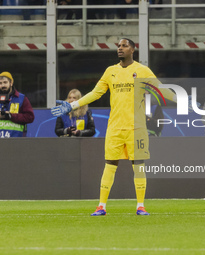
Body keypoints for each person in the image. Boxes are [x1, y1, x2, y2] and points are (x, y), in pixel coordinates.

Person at [51, 38, 182, 216]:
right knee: (110, 164)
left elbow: (161, 89)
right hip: (115, 127)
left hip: (137, 128)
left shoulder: (142, 70)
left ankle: (140, 206)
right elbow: (95, 93)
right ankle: (101, 206)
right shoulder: (110, 71)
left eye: (124, 46)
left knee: (139, 165)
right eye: (118, 46)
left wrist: (181, 99)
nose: (120, 49)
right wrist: (73, 105)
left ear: (133, 50)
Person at [0, 71, 35, 138]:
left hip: (16, 141)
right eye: (0, 83)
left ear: (11, 83)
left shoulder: (21, 98)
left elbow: (30, 117)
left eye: (5, 82)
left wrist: (11, 116)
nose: (3, 85)